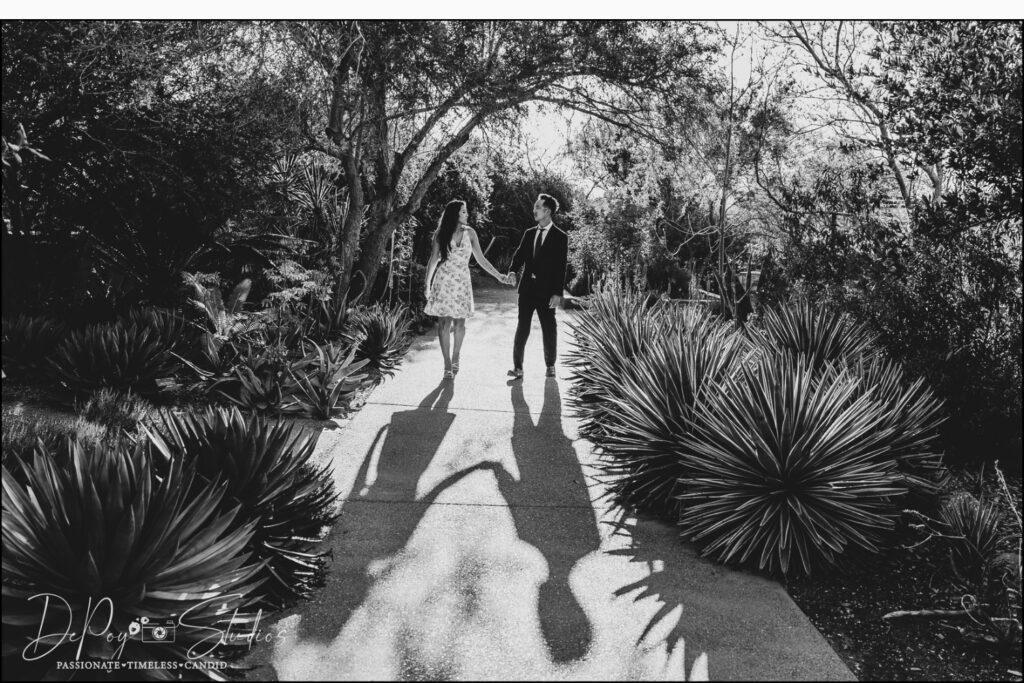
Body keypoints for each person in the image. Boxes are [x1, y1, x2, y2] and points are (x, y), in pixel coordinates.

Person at [424, 199, 510, 379]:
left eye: (466, 211)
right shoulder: (440, 234)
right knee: (444, 323)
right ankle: (447, 364)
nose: (467, 214)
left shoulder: (470, 233)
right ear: (455, 214)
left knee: (460, 324)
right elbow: (433, 260)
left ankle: (456, 356)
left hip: (462, 282)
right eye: (463, 211)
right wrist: (427, 285)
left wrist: (498, 275)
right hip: (444, 281)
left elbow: (480, 259)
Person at [505, 193, 568, 379]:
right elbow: (520, 254)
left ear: (547, 211)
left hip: (547, 292)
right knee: (522, 328)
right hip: (527, 290)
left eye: (537, 207)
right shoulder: (529, 233)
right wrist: (512, 270)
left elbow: (561, 267)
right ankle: (518, 367)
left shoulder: (560, 237)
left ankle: (550, 365)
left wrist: (558, 293)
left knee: (549, 329)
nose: (534, 211)